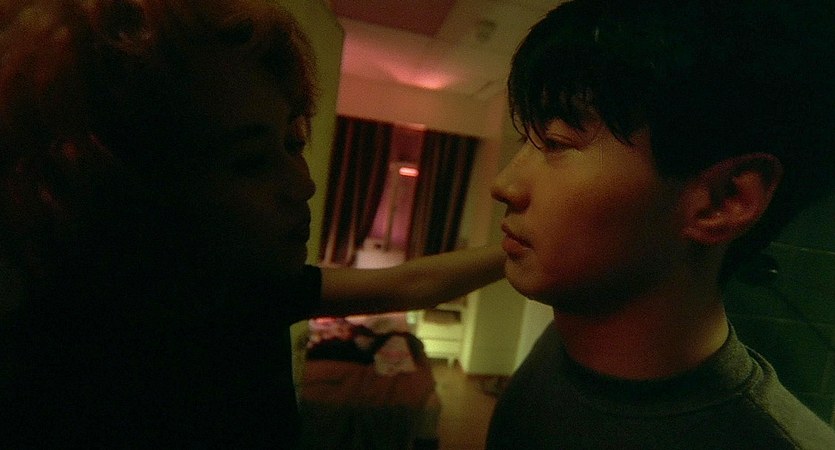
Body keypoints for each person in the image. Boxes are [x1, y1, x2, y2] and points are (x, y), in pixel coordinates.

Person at [0, 0, 504, 447]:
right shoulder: (57, 368)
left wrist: (516, 246)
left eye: (292, 143)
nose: (304, 184)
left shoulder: (250, 286)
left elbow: (411, 283)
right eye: (250, 161)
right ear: (122, 183)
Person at [486, 0, 835, 448]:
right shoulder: (565, 349)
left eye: (556, 142)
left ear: (723, 201)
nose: (504, 185)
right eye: (526, 139)